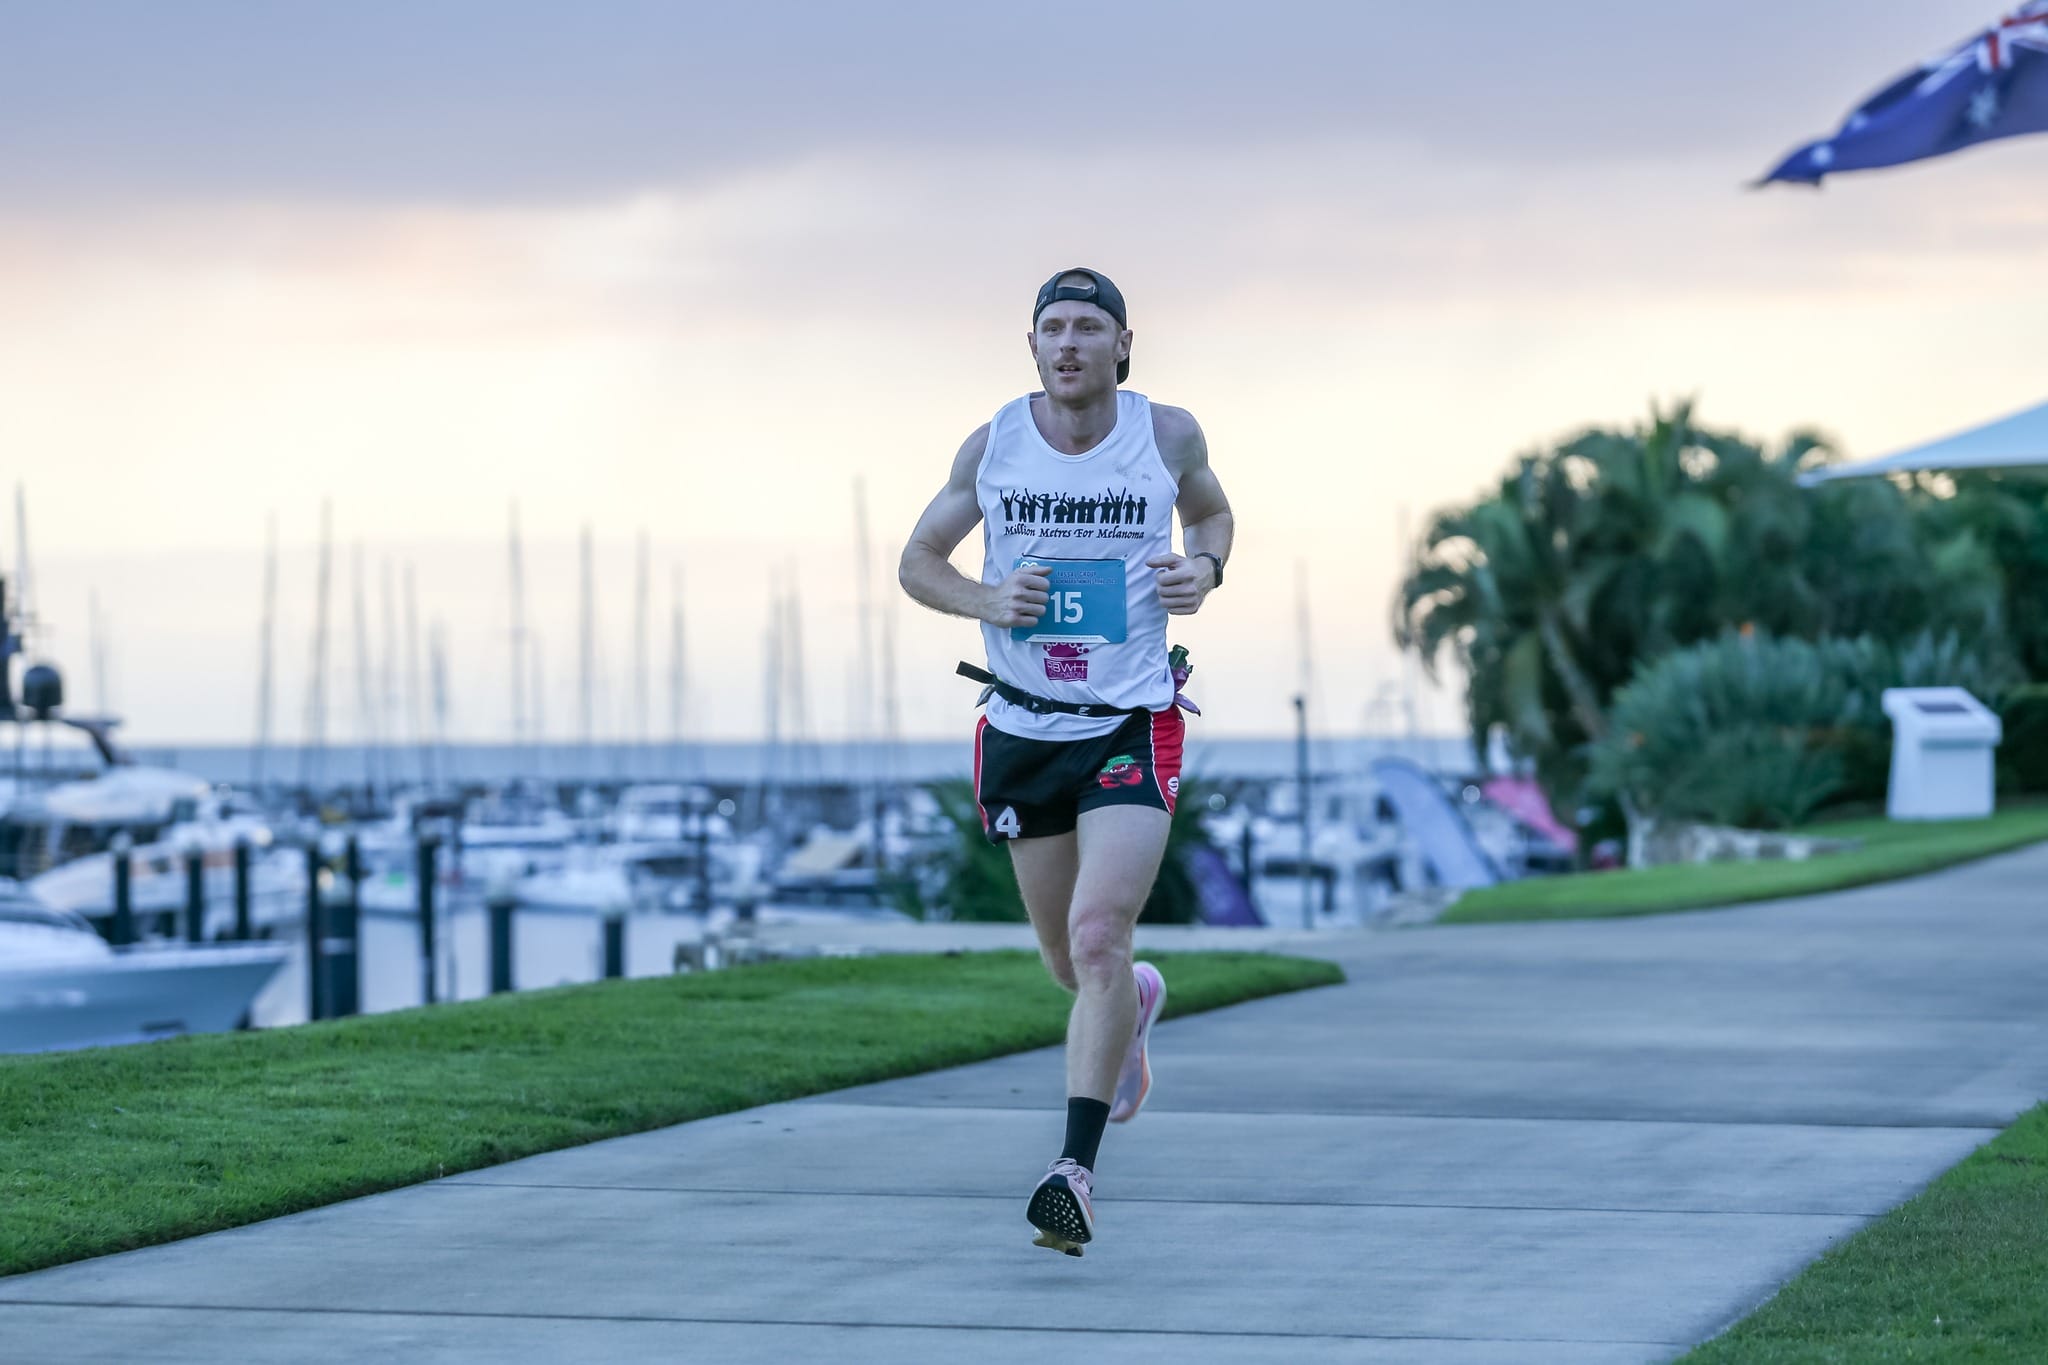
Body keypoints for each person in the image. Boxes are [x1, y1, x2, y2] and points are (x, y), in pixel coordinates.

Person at [897, 267, 1234, 1255]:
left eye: (1090, 327)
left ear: (1123, 345)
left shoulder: (1166, 436)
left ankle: (1072, 1172)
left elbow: (1212, 515)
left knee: (1096, 935)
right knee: (1065, 960)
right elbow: (919, 558)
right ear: (1034, 347)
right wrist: (985, 601)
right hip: (1021, 727)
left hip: (1128, 721)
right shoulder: (992, 443)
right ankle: (1130, 1006)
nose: (1071, 342)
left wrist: (1201, 568)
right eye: (1053, 328)